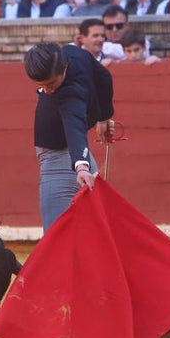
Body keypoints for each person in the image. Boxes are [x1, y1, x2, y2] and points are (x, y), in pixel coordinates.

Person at [23, 40, 115, 231]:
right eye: (41, 85)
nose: (47, 91)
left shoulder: (69, 94)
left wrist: (81, 167)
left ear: (64, 67)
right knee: (93, 228)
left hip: (59, 159)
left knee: (55, 236)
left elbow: (74, 128)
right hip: (75, 155)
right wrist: (104, 116)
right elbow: (104, 77)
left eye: (50, 84)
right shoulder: (75, 53)